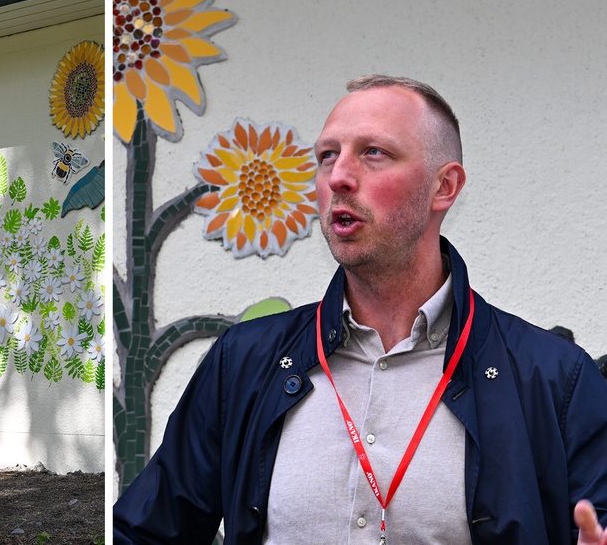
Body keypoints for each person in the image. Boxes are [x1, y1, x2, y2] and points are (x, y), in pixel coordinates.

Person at [113, 75, 607, 544]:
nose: (340, 177)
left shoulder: (553, 381)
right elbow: (146, 531)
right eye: (327, 156)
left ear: (444, 187)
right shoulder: (244, 362)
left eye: (373, 153)